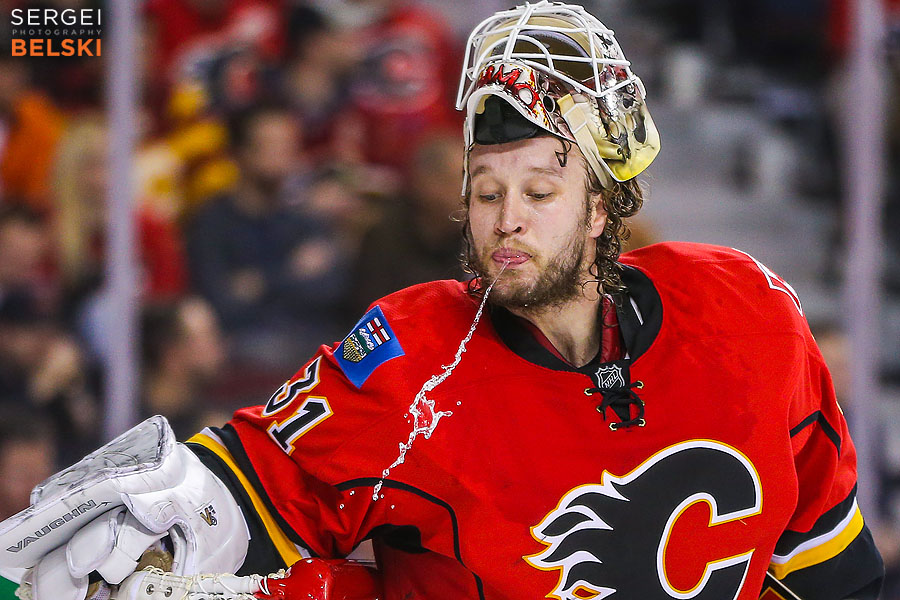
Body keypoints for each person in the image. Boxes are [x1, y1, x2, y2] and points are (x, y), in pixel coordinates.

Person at [1, 3, 884, 600]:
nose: (506, 221)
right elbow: (258, 483)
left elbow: (827, 563)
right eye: (484, 188)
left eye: (541, 191)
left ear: (608, 200)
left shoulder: (745, 311)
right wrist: (167, 522)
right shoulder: (416, 356)